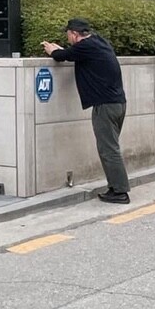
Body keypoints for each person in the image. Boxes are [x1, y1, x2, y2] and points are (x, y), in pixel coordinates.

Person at [41, 17, 130, 204]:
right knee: (109, 148)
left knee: (108, 149)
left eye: (68, 34)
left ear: (74, 34)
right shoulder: (98, 42)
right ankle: (114, 187)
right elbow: (70, 53)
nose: (67, 38)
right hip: (117, 103)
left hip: (105, 106)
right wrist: (61, 50)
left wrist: (52, 50)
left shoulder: (86, 46)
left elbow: (61, 55)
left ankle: (120, 192)